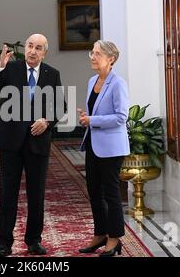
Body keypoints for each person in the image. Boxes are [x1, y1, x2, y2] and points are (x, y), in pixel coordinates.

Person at [0, 34, 65, 257]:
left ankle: (33, 241)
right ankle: (3, 243)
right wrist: (0, 66)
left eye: (38, 48)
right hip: (11, 141)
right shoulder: (10, 69)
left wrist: (46, 120)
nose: (32, 51)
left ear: (44, 53)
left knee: (36, 194)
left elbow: (60, 105)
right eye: (30, 46)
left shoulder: (52, 74)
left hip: (38, 142)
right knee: (8, 193)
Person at [77, 40, 130, 257]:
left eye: (97, 53)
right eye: (92, 52)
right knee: (94, 192)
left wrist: (93, 119)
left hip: (111, 148)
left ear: (111, 59)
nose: (92, 56)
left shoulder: (118, 83)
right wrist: (86, 118)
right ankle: (100, 234)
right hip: (93, 144)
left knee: (111, 194)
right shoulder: (92, 81)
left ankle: (115, 238)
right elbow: (95, 112)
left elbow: (121, 117)